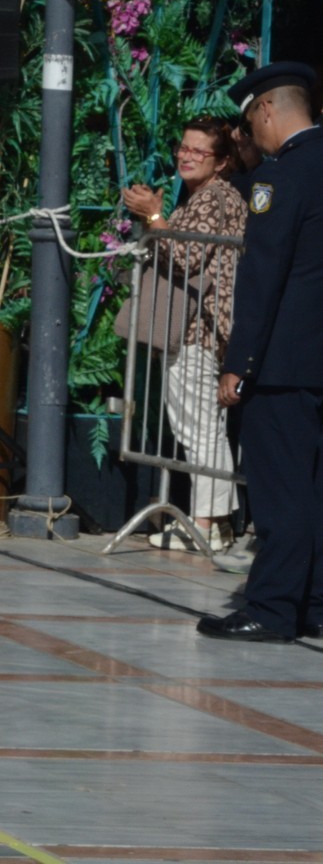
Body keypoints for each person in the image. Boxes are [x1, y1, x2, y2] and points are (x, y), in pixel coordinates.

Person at [202, 61, 323, 643]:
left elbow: (263, 277)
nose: (252, 133)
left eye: (251, 121)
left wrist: (239, 364)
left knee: (281, 492)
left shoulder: (283, 177)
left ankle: (272, 608)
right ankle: (314, 602)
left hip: (284, 363)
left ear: (267, 109)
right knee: (316, 489)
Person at [122, 120, 246, 552]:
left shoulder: (214, 197)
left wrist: (154, 216)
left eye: (199, 151)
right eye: (183, 148)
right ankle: (213, 524)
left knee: (198, 427)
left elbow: (184, 258)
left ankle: (206, 525)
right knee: (200, 425)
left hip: (197, 326)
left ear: (222, 162)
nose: (186, 156)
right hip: (200, 325)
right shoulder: (212, 195)